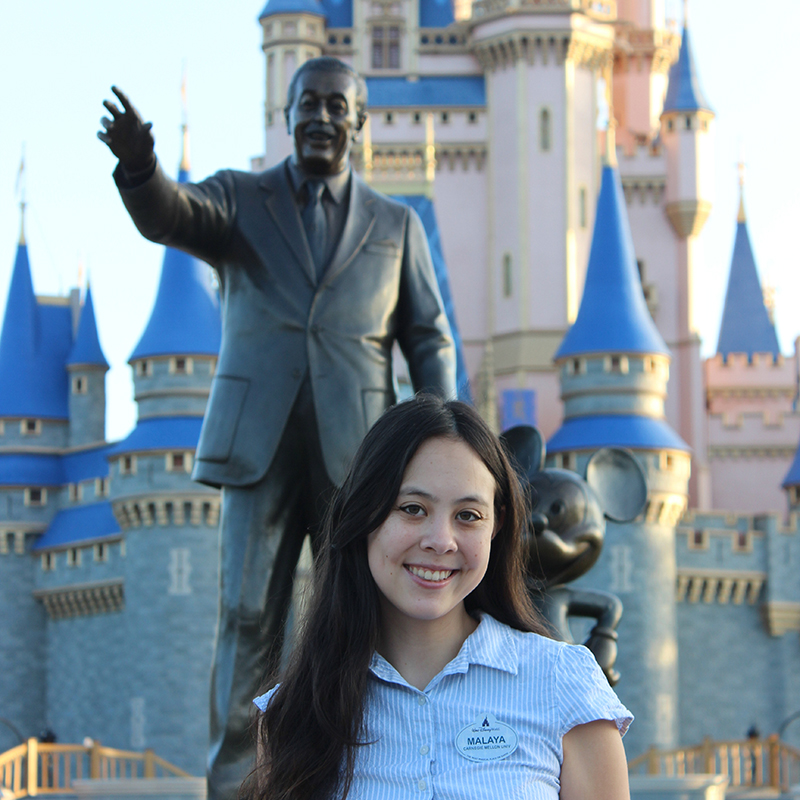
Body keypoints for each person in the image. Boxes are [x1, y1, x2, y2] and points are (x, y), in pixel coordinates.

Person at [98, 58, 456, 799]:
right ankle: (235, 785)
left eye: (335, 106)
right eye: (306, 104)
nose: (320, 118)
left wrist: (447, 446)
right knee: (245, 616)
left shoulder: (397, 225)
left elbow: (429, 338)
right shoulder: (241, 198)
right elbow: (170, 214)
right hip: (255, 448)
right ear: (286, 114)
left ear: (358, 123)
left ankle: (351, 776)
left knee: (353, 619)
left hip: (358, 459)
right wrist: (140, 168)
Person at [246, 394, 632, 800]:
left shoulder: (565, 685)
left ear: (496, 526)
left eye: (467, 515)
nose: (441, 541)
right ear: (364, 515)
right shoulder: (291, 715)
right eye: (412, 509)